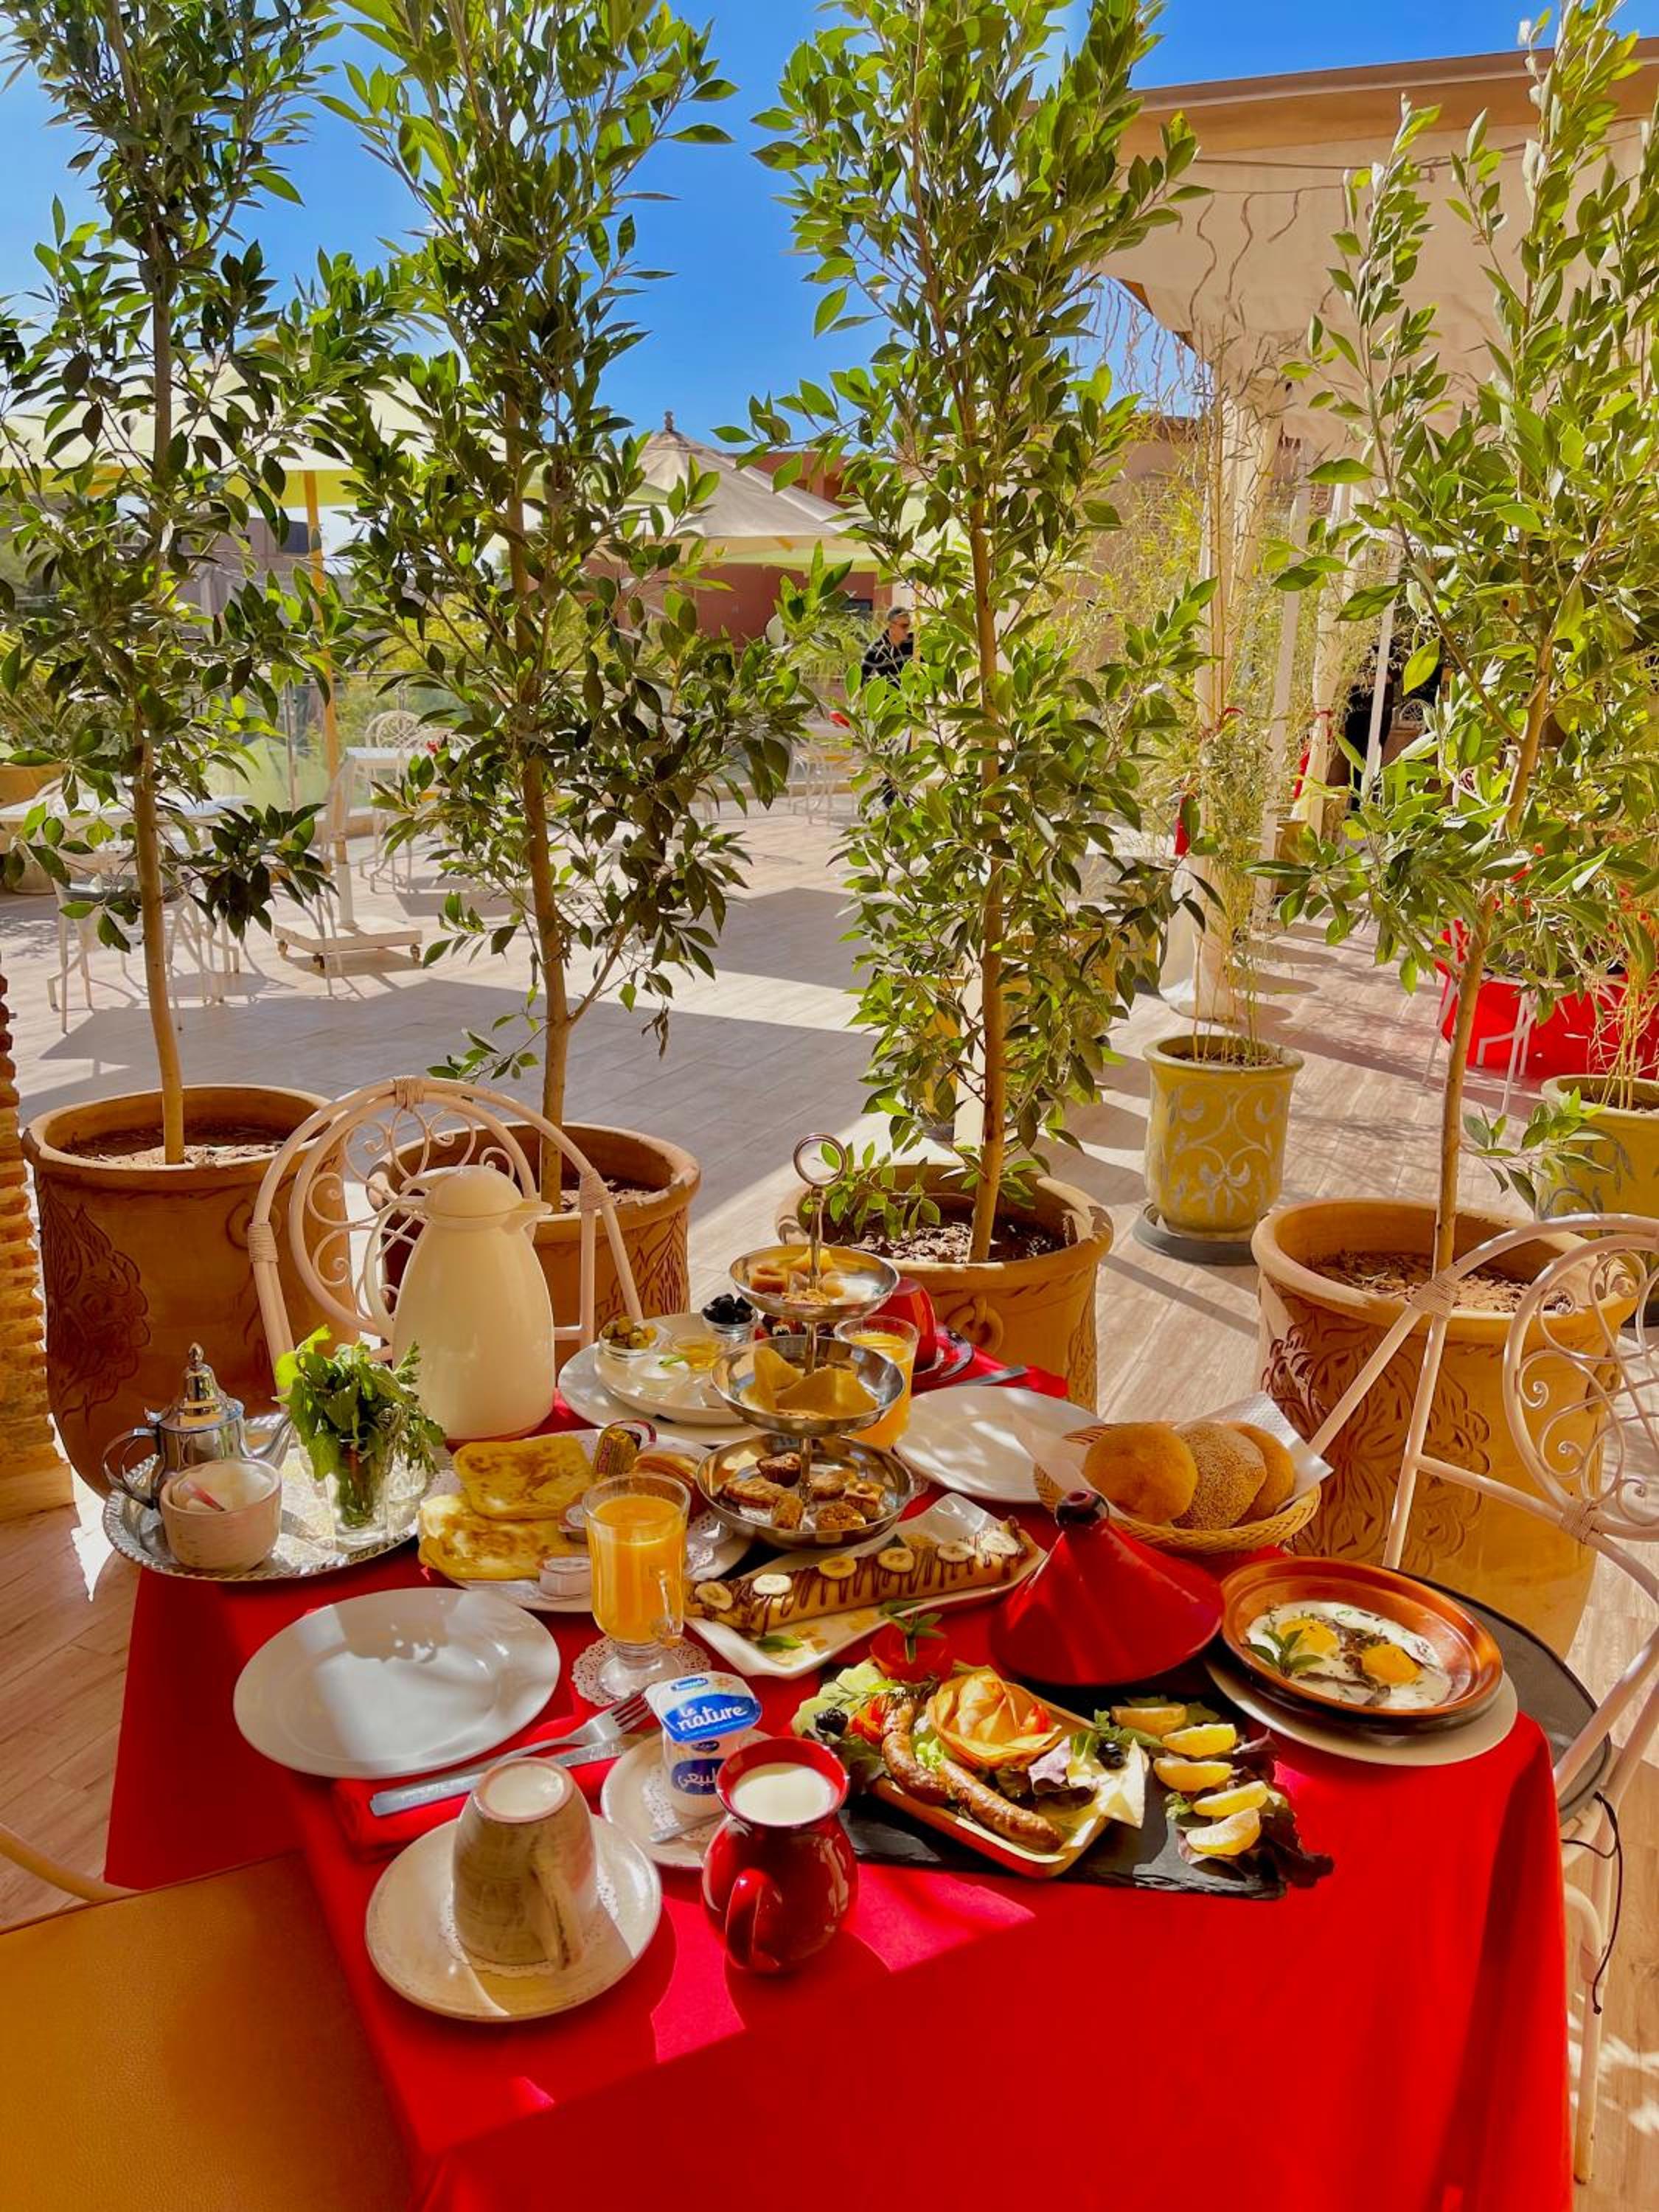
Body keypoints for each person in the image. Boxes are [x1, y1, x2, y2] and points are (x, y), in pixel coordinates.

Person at [860, 604, 914, 686]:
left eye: (908, 625)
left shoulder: (916, 643)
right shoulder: (876, 648)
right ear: (891, 626)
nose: (907, 629)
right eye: (904, 626)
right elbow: (861, 678)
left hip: (915, 694)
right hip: (890, 694)